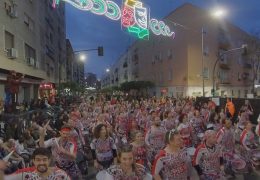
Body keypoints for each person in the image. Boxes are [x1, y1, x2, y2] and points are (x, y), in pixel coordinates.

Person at [0, 147, 71, 180]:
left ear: (49, 160)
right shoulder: (26, 176)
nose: (41, 163)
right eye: (38, 160)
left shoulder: (61, 175)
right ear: (33, 161)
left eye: (44, 160)